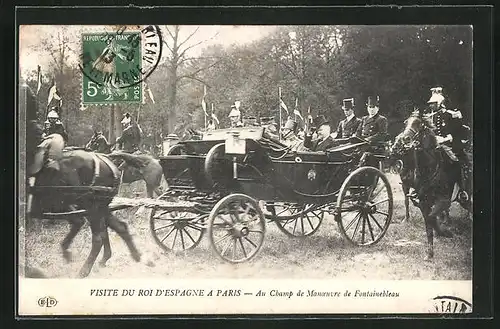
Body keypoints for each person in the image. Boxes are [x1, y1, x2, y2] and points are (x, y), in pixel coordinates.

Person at [426, 86, 470, 202]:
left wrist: (446, 138)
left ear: (440, 103)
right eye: (430, 104)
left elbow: (458, 130)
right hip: (437, 145)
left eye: (433, 103)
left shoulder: (450, 115)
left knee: (456, 163)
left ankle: (462, 190)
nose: (431, 106)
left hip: (452, 144)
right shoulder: (431, 117)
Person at [31, 107, 68, 172]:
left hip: (57, 141)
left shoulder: (59, 125)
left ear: (56, 119)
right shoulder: (47, 124)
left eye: (53, 119)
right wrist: (44, 135)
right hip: (48, 140)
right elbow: (44, 131)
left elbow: (63, 134)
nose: (52, 120)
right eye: (51, 119)